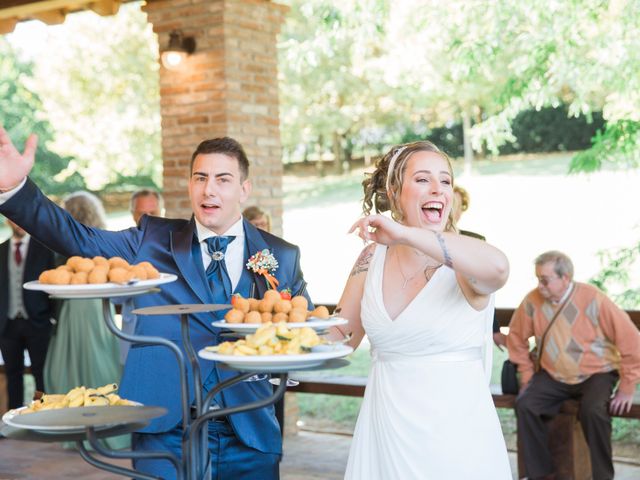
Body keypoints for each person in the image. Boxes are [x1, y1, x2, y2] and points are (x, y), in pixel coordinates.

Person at [0, 126, 310, 479]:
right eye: (200, 178)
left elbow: (301, 334)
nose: (209, 189)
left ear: (244, 189)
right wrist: (16, 191)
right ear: (190, 185)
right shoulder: (152, 239)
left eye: (223, 179)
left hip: (248, 428)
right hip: (165, 428)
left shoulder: (280, 256)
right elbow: (77, 238)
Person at [334, 140, 512, 479]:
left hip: (455, 437)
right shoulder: (371, 258)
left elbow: (498, 270)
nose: (438, 190)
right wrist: (275, 337)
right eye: (422, 180)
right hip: (384, 432)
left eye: (445, 181)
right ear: (395, 191)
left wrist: (405, 234)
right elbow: (339, 336)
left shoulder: (466, 256)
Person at [507, 250, 640, 480]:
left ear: (565, 278)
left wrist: (627, 387)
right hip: (552, 375)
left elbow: (631, 341)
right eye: (538, 279)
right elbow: (516, 338)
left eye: (545, 280)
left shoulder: (593, 299)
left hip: (597, 373)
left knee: (594, 410)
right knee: (526, 404)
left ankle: (602, 477)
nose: (540, 285)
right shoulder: (532, 301)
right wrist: (527, 375)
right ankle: (541, 475)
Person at [42, 191, 126, 449]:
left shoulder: (65, 239)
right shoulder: (101, 237)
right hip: (97, 304)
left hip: (75, 303)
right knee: (103, 358)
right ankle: (109, 426)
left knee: (71, 360)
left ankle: (78, 427)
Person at [0, 218, 56, 410]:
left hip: (38, 322)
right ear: (8, 220)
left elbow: (53, 286)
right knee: (12, 373)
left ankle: (44, 416)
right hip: (7, 324)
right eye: (14, 220)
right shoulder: (1, 249)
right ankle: (14, 419)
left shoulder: (44, 249)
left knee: (41, 372)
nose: (19, 223)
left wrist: (52, 317)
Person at [452, 185, 506, 348]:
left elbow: (487, 289)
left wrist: (494, 329)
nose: (454, 211)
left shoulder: (476, 241)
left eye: (458, 206)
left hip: (466, 313)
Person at [116, 189, 165, 364]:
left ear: (162, 212)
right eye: (142, 214)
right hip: (134, 332)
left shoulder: (177, 243)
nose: (148, 218)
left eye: (153, 213)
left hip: (169, 334)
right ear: (132, 214)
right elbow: (115, 299)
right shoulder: (121, 247)